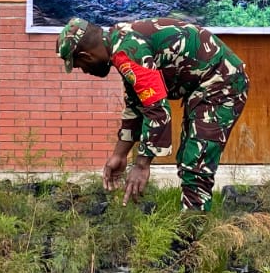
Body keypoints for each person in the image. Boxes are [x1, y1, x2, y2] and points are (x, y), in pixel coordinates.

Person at [57, 16, 247, 211]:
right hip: (203, 85)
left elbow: (157, 109)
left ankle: (193, 224)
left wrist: (141, 164)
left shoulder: (128, 51)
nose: (85, 71)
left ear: (86, 56)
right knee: (187, 157)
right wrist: (119, 155)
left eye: (79, 65)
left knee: (196, 162)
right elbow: (137, 104)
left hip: (222, 81)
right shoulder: (119, 41)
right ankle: (192, 216)